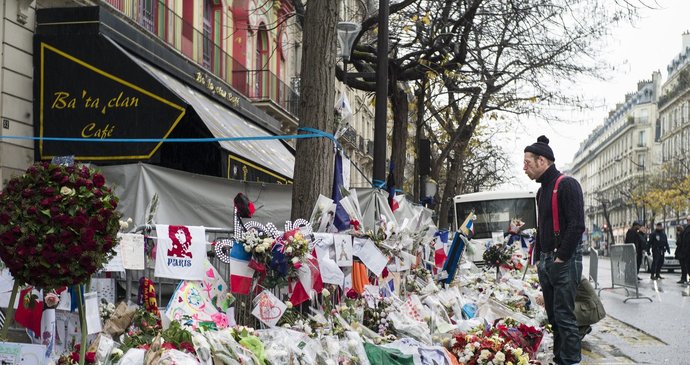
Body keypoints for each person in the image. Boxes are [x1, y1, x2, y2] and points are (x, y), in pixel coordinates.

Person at [524, 135, 584, 365]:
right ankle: (560, 359)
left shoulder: (566, 184)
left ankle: (570, 361)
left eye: (527, 163)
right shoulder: (541, 192)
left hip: (564, 261)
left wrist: (560, 258)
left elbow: (577, 224)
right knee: (553, 318)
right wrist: (539, 258)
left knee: (564, 316)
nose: (524, 168)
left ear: (542, 161)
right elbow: (542, 228)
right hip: (548, 262)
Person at [677, 215, 690, 284]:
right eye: (687, 220)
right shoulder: (686, 228)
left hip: (688, 251)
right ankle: (684, 278)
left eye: (689, 220)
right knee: (686, 266)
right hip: (685, 251)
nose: (688, 221)